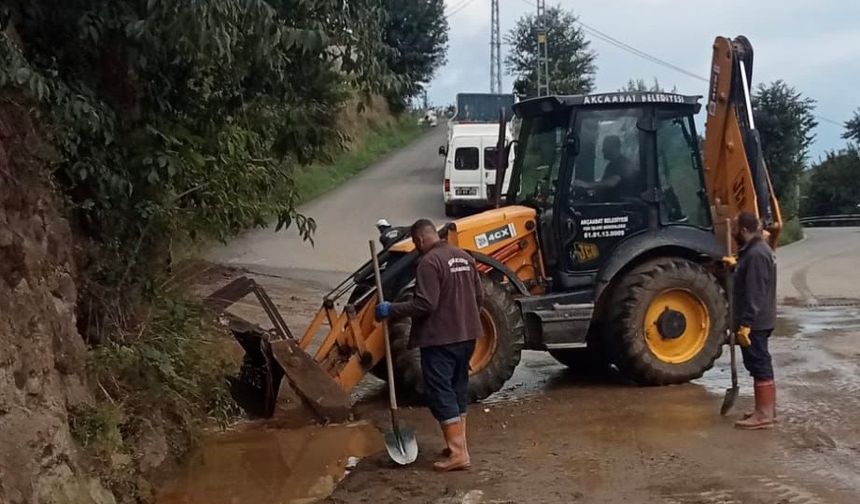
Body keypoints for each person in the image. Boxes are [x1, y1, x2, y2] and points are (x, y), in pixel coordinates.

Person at [376, 219, 483, 471]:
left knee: (440, 391)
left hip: (440, 339)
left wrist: (391, 309)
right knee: (457, 389)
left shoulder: (429, 262)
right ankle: (459, 447)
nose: (417, 248)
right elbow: (479, 297)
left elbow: (425, 304)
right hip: (467, 337)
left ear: (420, 240)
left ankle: (458, 454)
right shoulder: (464, 257)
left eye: (416, 243)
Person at [732, 211, 778, 430]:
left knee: (759, 363)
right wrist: (734, 266)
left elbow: (755, 291)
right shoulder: (753, 252)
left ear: (743, 230)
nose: (732, 232)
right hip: (758, 319)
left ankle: (764, 415)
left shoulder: (757, 255)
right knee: (757, 363)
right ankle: (765, 409)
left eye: (734, 228)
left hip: (756, 322)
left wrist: (746, 323)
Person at [574, 135, 640, 199]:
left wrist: (587, 185)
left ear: (614, 148)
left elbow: (612, 183)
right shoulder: (611, 165)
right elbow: (605, 185)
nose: (603, 150)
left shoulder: (623, 163)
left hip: (619, 205)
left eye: (605, 147)